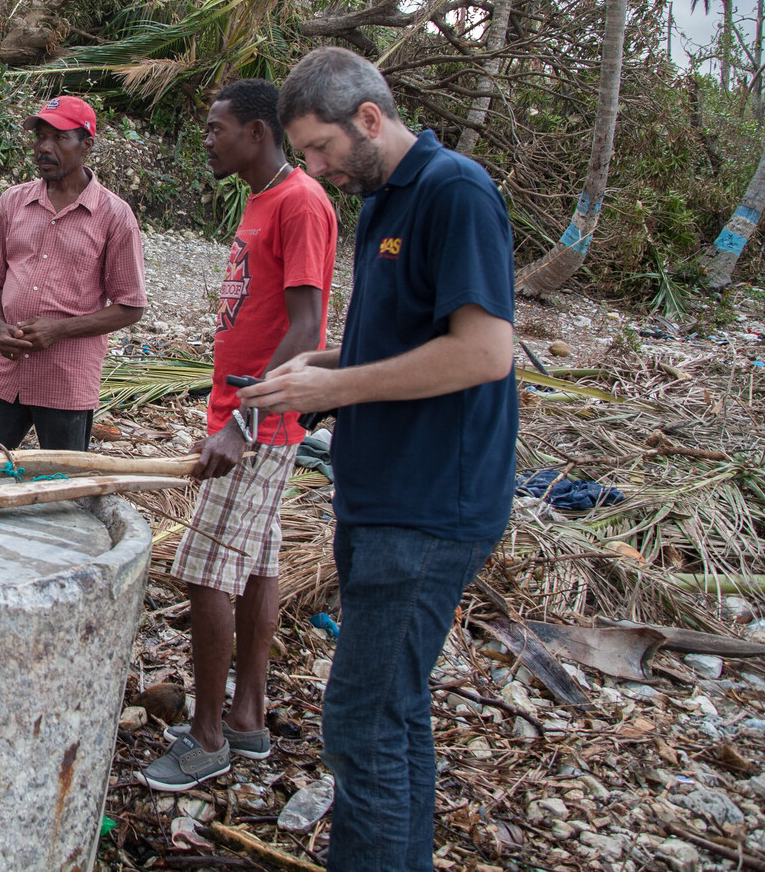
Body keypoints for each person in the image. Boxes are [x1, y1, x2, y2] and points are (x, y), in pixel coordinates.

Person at [242, 47, 517, 871]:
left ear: (369, 117)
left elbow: (483, 353)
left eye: (320, 148)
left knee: (360, 721)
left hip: (430, 506)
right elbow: (395, 342)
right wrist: (317, 368)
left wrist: (341, 387)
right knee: (392, 714)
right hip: (380, 495)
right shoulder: (381, 203)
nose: (315, 170)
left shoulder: (453, 191)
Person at [137, 79, 337, 791]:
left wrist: (244, 423)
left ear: (258, 131)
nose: (208, 137)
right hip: (247, 413)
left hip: (263, 419)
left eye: (218, 127)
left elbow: (309, 329)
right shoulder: (262, 200)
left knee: (202, 568)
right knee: (254, 565)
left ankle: (208, 735)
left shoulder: (302, 201)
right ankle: (247, 719)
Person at [0, 96, 147, 450]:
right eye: (39, 137)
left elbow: (131, 306)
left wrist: (59, 329)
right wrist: (0, 328)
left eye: (59, 138)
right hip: (4, 370)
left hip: (66, 380)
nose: (44, 148)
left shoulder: (114, 216)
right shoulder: (13, 202)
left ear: (86, 145)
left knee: (62, 485)